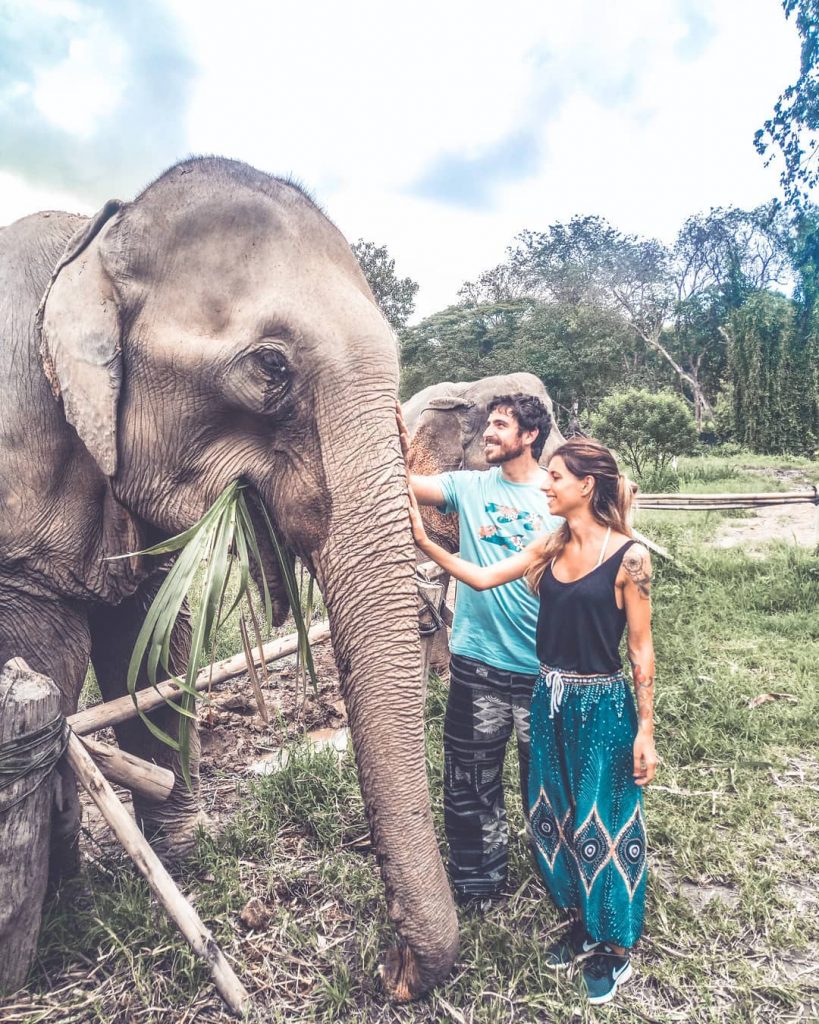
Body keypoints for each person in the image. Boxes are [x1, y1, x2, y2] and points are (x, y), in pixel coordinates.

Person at [407, 436, 658, 1007]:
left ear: (586, 487)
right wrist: (424, 540)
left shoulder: (631, 558)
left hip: (600, 705)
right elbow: (481, 578)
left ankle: (612, 947)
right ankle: (577, 916)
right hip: (549, 696)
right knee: (553, 813)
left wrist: (645, 731)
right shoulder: (550, 545)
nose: (545, 485)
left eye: (556, 478)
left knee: (607, 820)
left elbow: (641, 652)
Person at [399, 393, 562, 909]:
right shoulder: (467, 488)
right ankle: (478, 884)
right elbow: (403, 488)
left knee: (549, 787)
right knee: (470, 782)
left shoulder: (560, 500)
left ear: (529, 436)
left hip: (544, 669)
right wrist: (397, 447)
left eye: (499, 425)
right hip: (477, 664)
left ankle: (558, 881)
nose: (488, 434)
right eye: (489, 425)